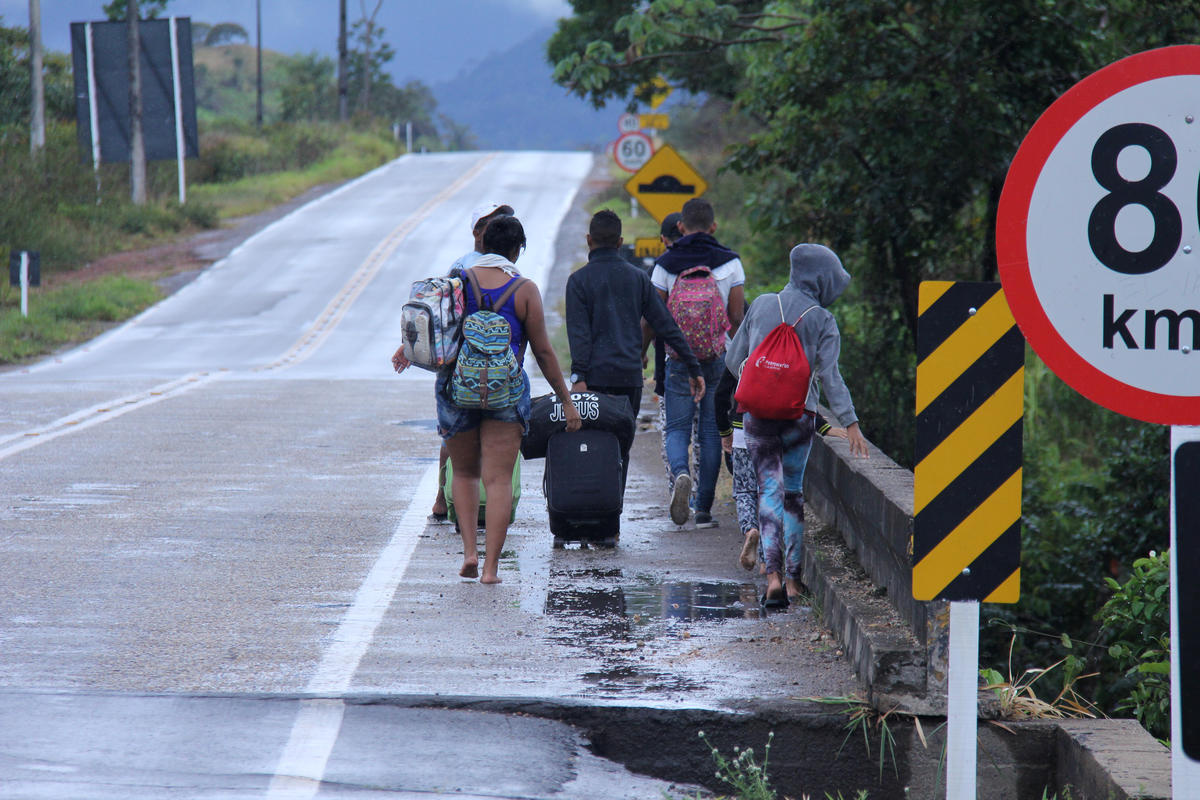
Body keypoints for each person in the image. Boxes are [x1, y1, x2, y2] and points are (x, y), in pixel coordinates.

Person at [437, 216, 580, 584]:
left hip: (460, 391)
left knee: (465, 473)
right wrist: (566, 400)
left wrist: (405, 351)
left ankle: (469, 552)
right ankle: (490, 569)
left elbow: (435, 333)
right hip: (506, 392)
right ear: (518, 250)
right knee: (498, 480)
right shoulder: (525, 290)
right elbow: (545, 353)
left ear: (481, 244)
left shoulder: (459, 282)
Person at [724, 242, 869, 608]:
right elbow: (831, 378)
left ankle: (770, 577)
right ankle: (792, 582)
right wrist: (850, 422)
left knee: (767, 494)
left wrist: (760, 381)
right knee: (792, 495)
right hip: (799, 416)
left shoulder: (760, 305)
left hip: (756, 416)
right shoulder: (822, 319)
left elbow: (732, 360)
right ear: (822, 279)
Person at [565, 209, 704, 496]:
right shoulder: (639, 279)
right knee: (620, 449)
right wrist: (693, 366)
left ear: (589, 240)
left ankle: (594, 513)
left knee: (592, 446)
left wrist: (579, 376)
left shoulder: (578, 282)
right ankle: (613, 519)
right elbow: (665, 325)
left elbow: (579, 336)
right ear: (620, 242)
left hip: (592, 381)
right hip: (628, 380)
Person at [651, 197, 746, 528]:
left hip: (678, 359)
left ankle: (680, 475)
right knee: (709, 430)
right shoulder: (731, 263)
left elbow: (655, 317)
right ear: (714, 227)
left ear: (680, 227)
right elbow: (736, 317)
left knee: (677, 427)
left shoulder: (665, 265)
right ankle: (704, 510)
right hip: (718, 358)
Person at [422, 203, 515, 524]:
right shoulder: (465, 268)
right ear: (477, 232)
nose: (500, 225)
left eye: (503, 220)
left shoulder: (498, 267)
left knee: (457, 435)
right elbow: (438, 313)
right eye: (492, 222)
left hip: (469, 368)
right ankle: (449, 497)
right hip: (475, 367)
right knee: (465, 437)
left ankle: (446, 500)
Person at [714, 364, 847, 571]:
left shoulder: (743, 358)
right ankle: (766, 559)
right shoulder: (785, 360)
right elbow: (802, 399)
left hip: (743, 429)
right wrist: (822, 426)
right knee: (768, 493)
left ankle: (750, 529)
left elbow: (721, 394)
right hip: (774, 433)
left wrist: (724, 430)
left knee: (744, 491)